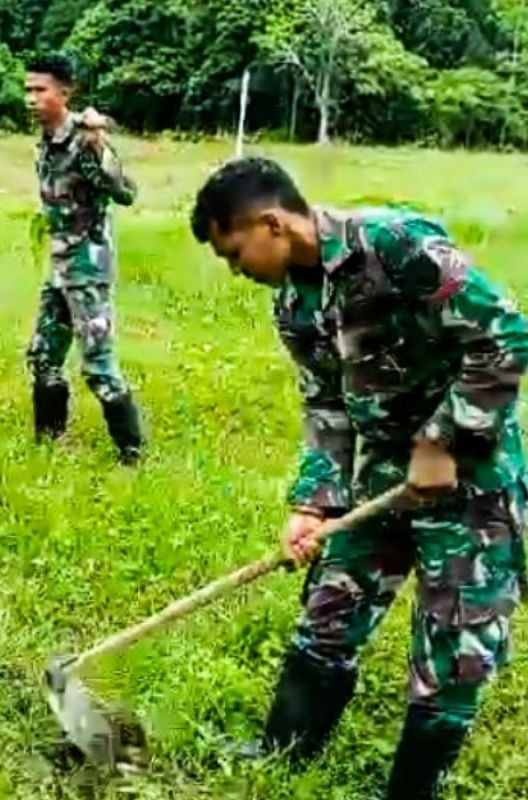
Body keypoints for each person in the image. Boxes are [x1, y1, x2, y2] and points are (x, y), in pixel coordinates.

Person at [190, 156, 528, 799]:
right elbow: (325, 407)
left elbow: (507, 335)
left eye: (235, 254)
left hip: (471, 483)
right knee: (329, 613)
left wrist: (441, 438)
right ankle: (281, 756)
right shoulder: (294, 302)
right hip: (383, 479)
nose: (236, 271)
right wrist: (313, 504)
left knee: (453, 651)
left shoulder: (397, 246)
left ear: (272, 224)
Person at [24, 52, 145, 464]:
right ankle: (48, 443)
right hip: (59, 268)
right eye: (28, 90)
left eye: (40, 90)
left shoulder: (84, 139)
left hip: (87, 269)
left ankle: (132, 453)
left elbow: (125, 192)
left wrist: (98, 147)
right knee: (43, 355)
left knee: (97, 363)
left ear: (64, 92)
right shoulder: (46, 139)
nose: (31, 99)